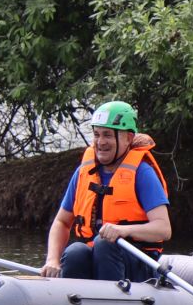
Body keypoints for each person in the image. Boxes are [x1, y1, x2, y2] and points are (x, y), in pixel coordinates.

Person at [41, 100, 172, 282]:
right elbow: (62, 222)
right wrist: (53, 260)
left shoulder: (142, 173)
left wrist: (123, 231)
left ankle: (113, 303)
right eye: (97, 135)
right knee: (75, 252)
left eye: (108, 135)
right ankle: (72, 303)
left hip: (138, 262)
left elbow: (163, 229)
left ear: (128, 138)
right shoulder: (83, 172)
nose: (100, 142)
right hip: (99, 256)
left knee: (105, 244)